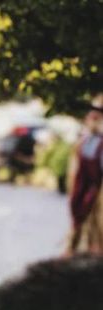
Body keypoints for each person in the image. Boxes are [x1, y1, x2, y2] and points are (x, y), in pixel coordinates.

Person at [68, 96, 103, 255]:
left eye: (98, 116)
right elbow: (76, 171)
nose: (93, 119)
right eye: (92, 116)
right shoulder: (83, 142)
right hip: (83, 192)